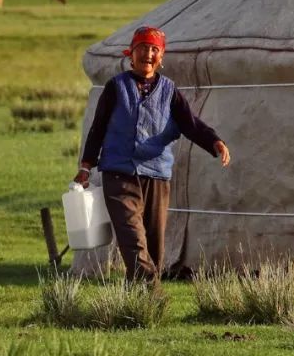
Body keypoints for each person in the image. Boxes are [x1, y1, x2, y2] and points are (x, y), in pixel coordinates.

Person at [74, 26, 230, 286]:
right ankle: (152, 293)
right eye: (142, 48)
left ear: (162, 57)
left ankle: (137, 301)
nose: (148, 54)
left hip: (156, 174)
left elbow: (189, 123)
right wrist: (86, 166)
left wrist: (215, 141)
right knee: (132, 237)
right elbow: (98, 127)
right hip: (119, 172)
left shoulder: (169, 90)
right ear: (131, 55)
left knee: (154, 244)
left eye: (154, 49)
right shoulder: (116, 87)